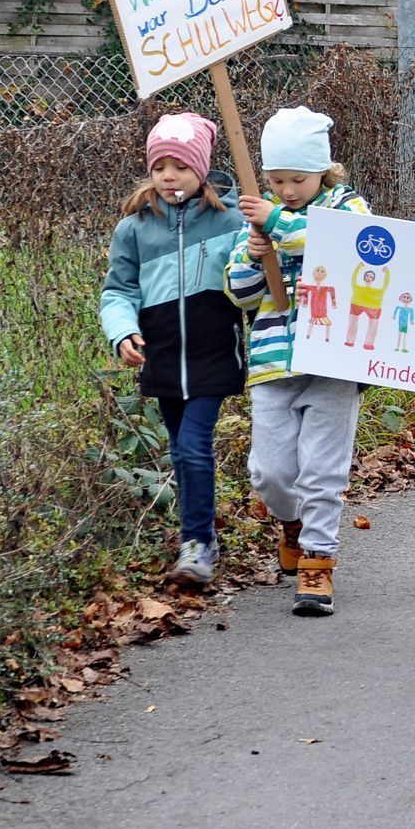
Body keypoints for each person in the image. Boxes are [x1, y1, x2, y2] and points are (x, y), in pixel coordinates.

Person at [224, 107, 371, 618]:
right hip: (272, 364)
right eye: (277, 180)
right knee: (269, 473)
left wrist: (279, 225)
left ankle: (317, 562)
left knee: (322, 472)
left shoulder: (346, 207)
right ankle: (290, 523)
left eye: (298, 180)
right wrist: (252, 252)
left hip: (333, 362)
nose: (287, 190)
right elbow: (240, 295)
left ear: (323, 171)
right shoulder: (259, 216)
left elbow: (345, 247)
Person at [101, 113, 248, 587]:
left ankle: (197, 542)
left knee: (192, 445)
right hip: (161, 356)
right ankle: (200, 533)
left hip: (213, 353)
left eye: (180, 166)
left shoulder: (231, 219)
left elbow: (252, 274)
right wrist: (123, 332)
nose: (168, 176)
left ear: (201, 169)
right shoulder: (135, 228)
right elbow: (118, 291)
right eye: (160, 166)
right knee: (178, 450)